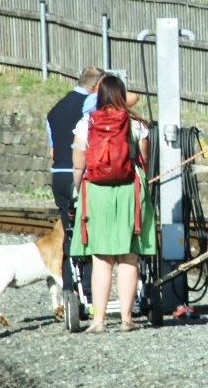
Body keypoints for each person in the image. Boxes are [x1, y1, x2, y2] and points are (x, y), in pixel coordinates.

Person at [70, 75, 156, 333]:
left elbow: (78, 164)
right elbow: (143, 161)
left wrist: (77, 190)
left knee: (101, 259)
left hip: (96, 191)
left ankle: (98, 321)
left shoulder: (85, 124)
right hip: (130, 190)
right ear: (121, 95)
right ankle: (127, 320)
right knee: (129, 257)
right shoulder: (137, 125)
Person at [47, 66, 104, 305]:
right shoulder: (90, 101)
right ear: (97, 86)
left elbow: (52, 152)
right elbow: (129, 99)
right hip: (78, 174)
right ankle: (89, 293)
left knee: (70, 234)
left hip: (58, 175)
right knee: (88, 233)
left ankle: (70, 290)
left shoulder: (54, 111)